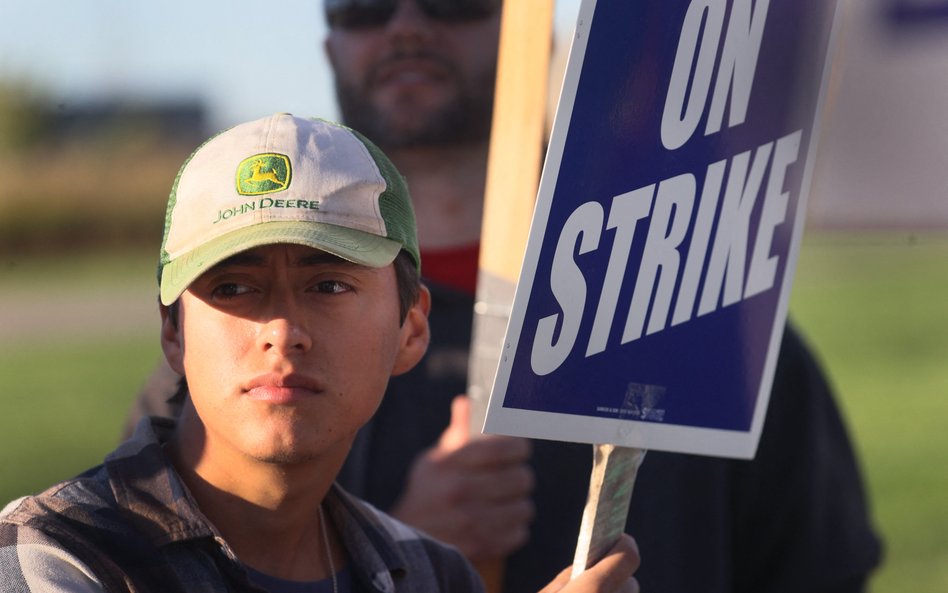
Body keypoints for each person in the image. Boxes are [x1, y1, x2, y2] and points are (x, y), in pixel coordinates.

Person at [126, 1, 884, 592]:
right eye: (363, 6)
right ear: (330, 45)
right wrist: (391, 554)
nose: (408, 25)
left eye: (453, 1)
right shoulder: (222, 346)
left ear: (533, 35)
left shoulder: (689, 307)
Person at [0, 114, 642, 592]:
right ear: (173, 333)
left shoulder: (431, 574)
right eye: (233, 287)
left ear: (411, 329)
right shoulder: (54, 556)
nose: (282, 329)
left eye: (329, 283)